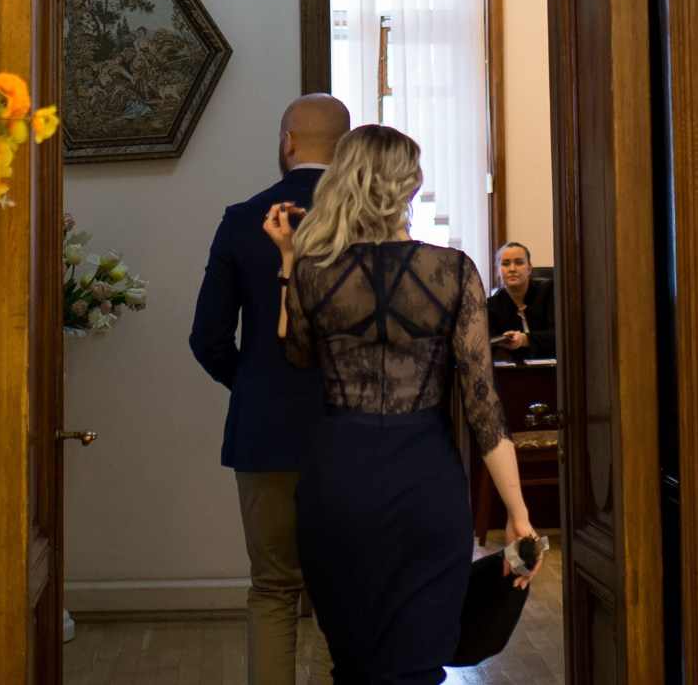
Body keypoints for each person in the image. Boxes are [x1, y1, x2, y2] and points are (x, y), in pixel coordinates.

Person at [265, 124, 537, 685]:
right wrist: (518, 512)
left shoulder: (315, 272)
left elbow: (295, 356)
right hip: (424, 479)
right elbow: (485, 409)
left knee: (356, 662)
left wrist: (289, 261)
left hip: (338, 476)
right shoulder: (454, 272)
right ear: (409, 186)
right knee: (417, 661)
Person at [189, 93, 350, 685]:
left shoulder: (242, 220)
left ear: (288, 141)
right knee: (347, 590)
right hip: (355, 435)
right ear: (348, 144)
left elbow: (207, 338)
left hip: (267, 433)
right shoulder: (367, 222)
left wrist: (254, 385)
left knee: (273, 589)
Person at [484, 241, 556, 363]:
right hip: (517, 372)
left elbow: (559, 335)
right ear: (499, 271)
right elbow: (489, 345)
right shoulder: (493, 305)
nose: (512, 269)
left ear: (529, 268)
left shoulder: (549, 292)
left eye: (519, 263)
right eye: (505, 264)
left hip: (554, 369)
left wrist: (524, 339)